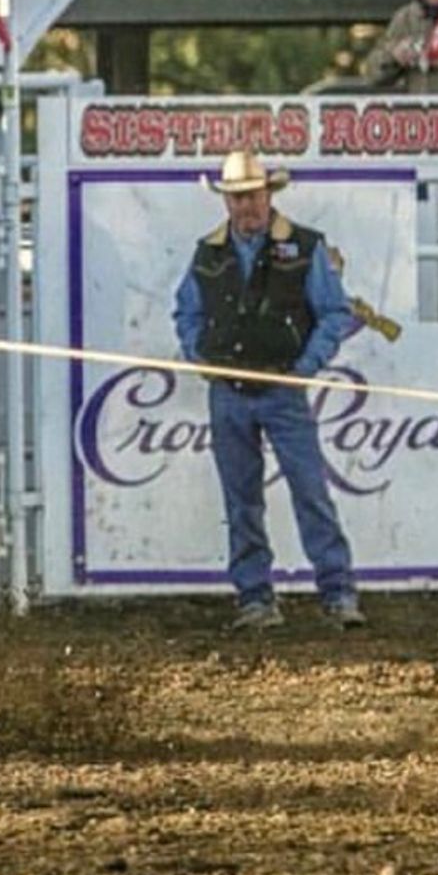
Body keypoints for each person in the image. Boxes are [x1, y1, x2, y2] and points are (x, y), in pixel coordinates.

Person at [172, 150, 366, 631]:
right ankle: (255, 597)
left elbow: (336, 313)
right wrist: (201, 358)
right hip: (230, 390)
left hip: (283, 388)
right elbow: (186, 313)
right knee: (241, 498)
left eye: (253, 196)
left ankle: (337, 591)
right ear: (227, 202)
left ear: (268, 195)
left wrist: (306, 366)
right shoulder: (208, 254)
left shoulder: (304, 246)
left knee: (309, 490)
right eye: (237, 198)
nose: (246, 207)